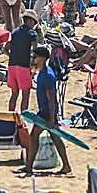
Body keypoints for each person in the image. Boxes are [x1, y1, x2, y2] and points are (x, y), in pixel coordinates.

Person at [21, 45, 72, 174]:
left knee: (35, 136)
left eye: (36, 57)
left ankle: (29, 167)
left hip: (48, 112)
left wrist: (51, 117)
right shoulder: (42, 73)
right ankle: (66, 165)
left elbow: (51, 98)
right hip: (45, 110)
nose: (33, 59)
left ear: (43, 58)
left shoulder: (48, 75)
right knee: (55, 138)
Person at [6, 10, 39, 112]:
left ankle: (10, 116)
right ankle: (23, 118)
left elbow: (5, 49)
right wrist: (33, 64)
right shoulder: (32, 34)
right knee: (25, 95)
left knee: (14, 94)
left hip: (12, 66)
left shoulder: (15, 32)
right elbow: (35, 51)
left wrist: (12, 56)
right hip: (24, 67)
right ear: (30, 21)